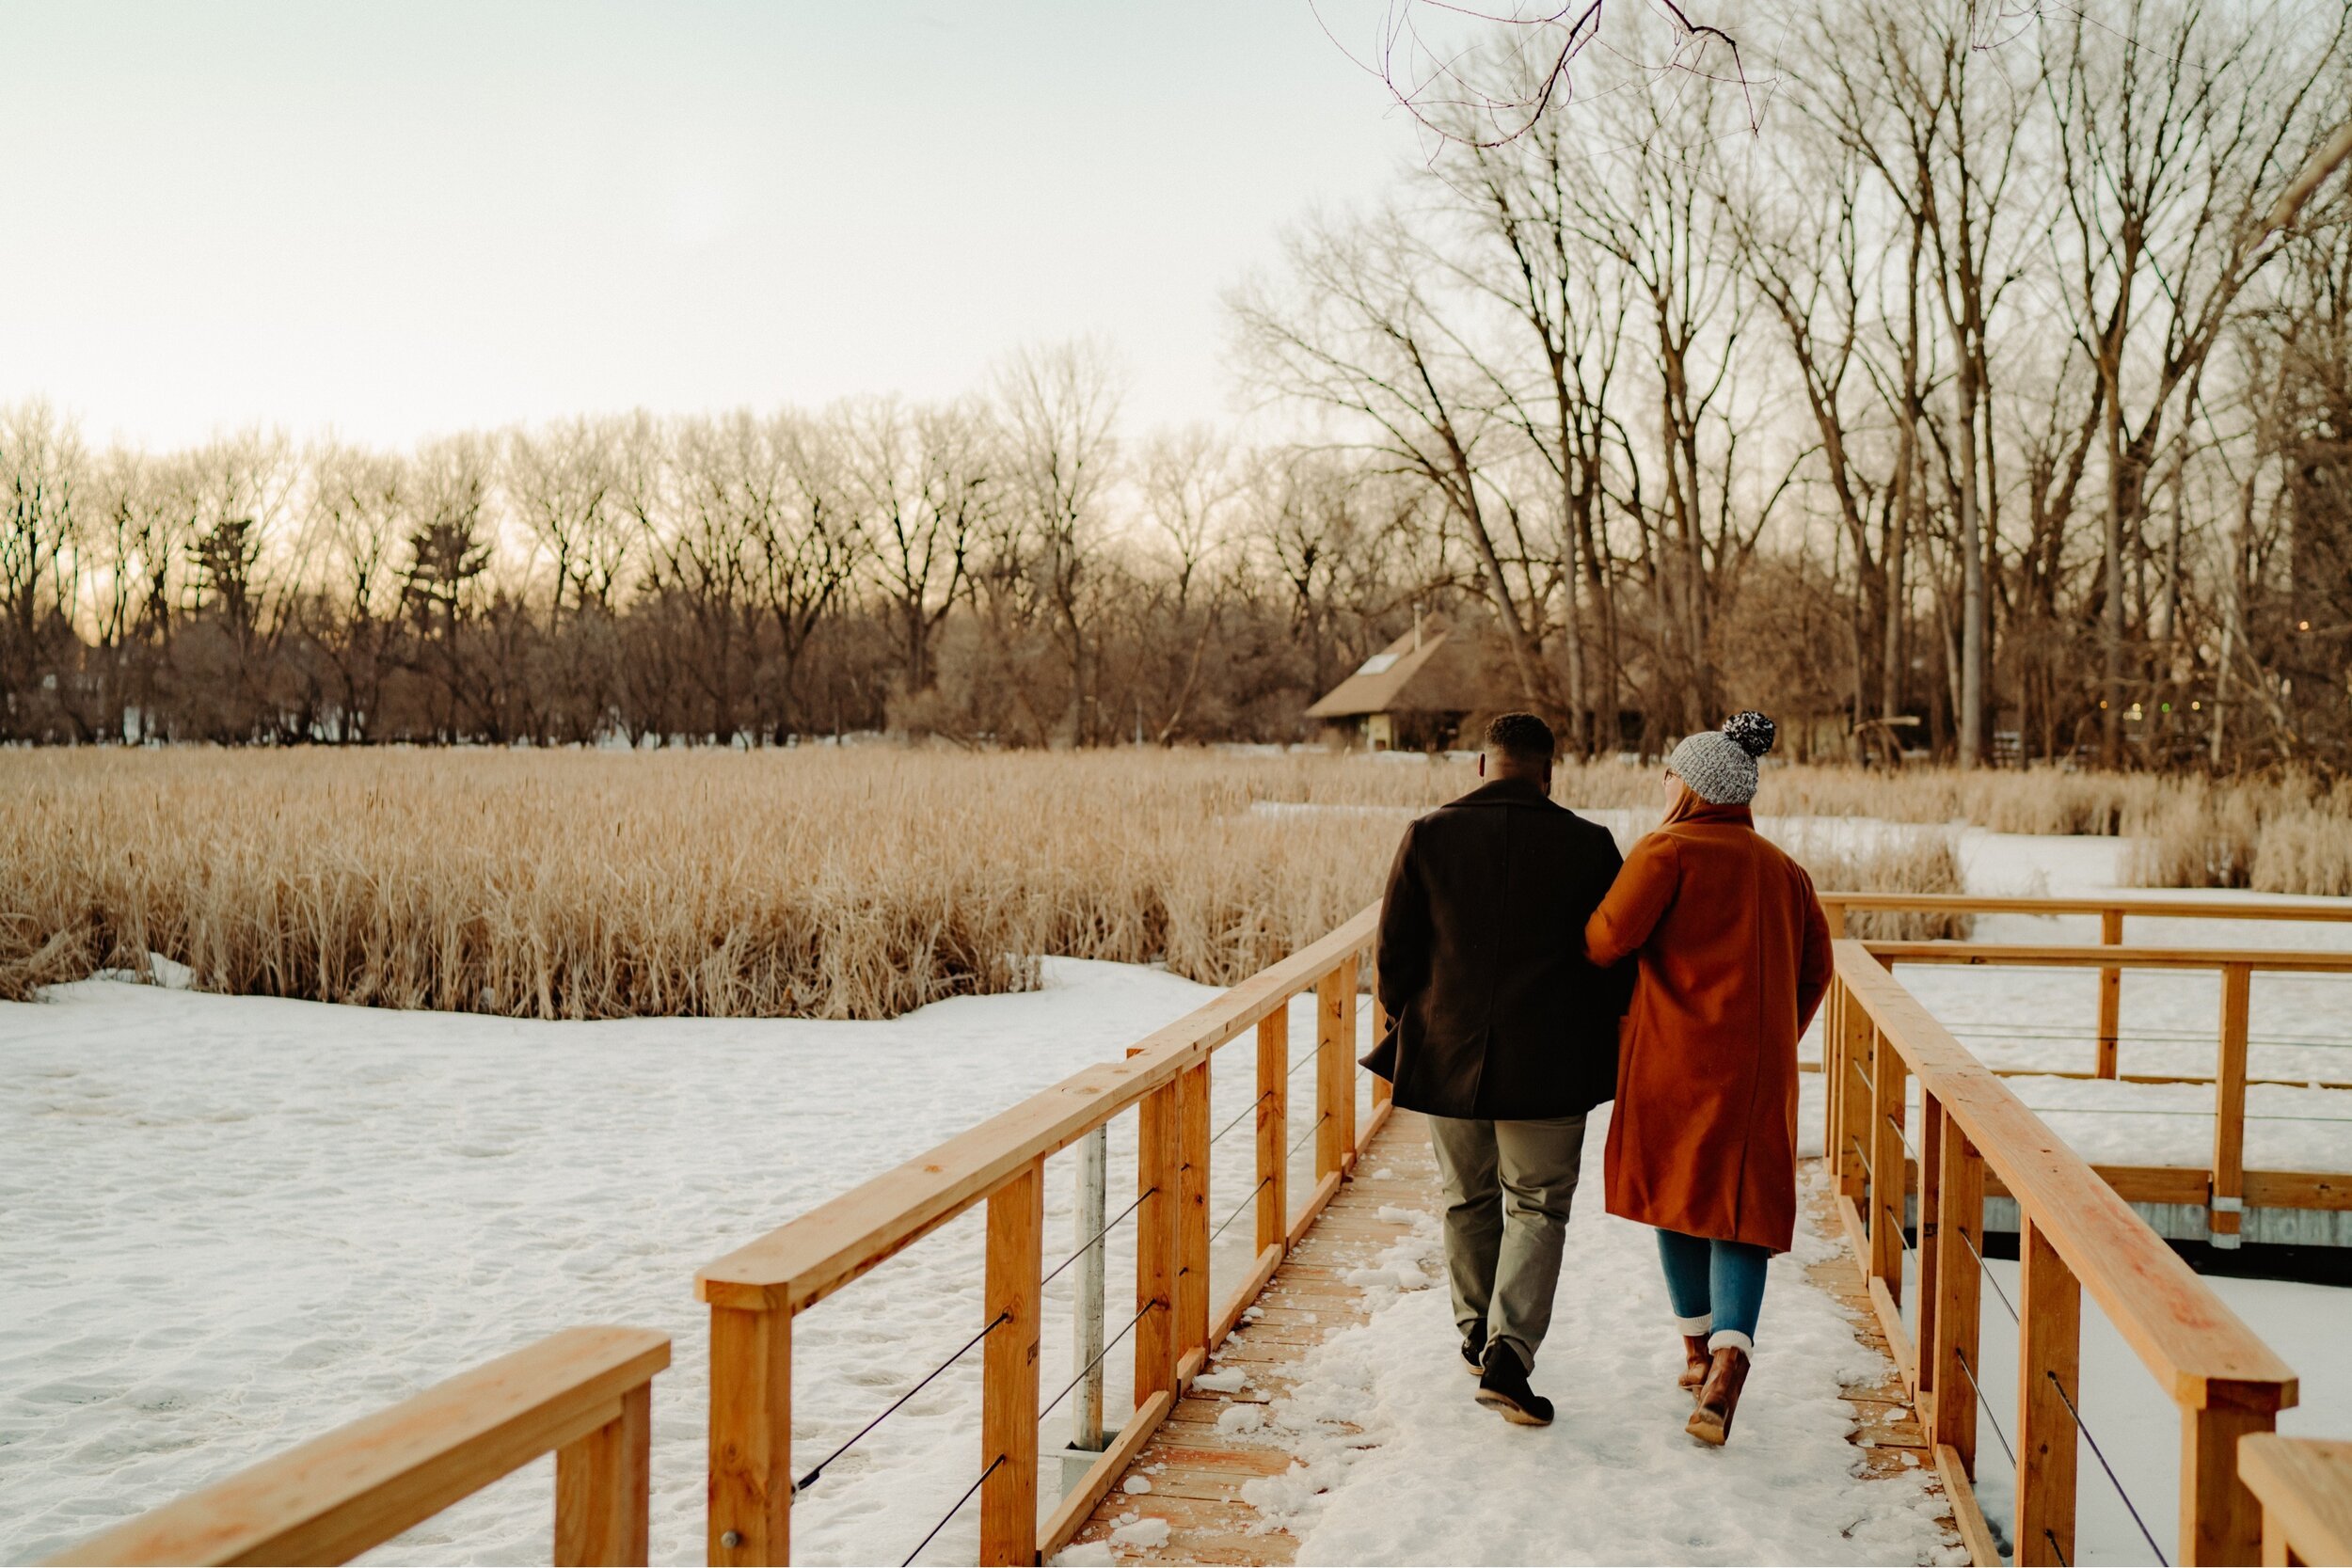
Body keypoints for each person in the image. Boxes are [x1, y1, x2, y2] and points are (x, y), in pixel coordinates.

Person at [1362, 711, 1629, 1427]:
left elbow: (1393, 955)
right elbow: (1616, 959)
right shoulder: (1590, 845)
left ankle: (1477, 1333)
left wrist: (1413, 1018)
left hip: (1447, 1054)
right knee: (1537, 1204)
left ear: (1483, 765)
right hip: (1548, 1059)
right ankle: (1509, 1354)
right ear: (1550, 772)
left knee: (1467, 1197)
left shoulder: (1428, 835)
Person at [1582, 710, 1834, 1446]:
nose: (1661, 784)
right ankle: (1725, 1367)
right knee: (1739, 1208)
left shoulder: (1666, 851)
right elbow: (1818, 965)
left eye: (1668, 773)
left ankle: (1695, 1350)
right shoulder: (1786, 870)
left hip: (1672, 1061)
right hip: (1757, 1069)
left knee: (1676, 1192)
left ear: (1688, 784)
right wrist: (1777, 1035)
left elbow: (1605, 941)